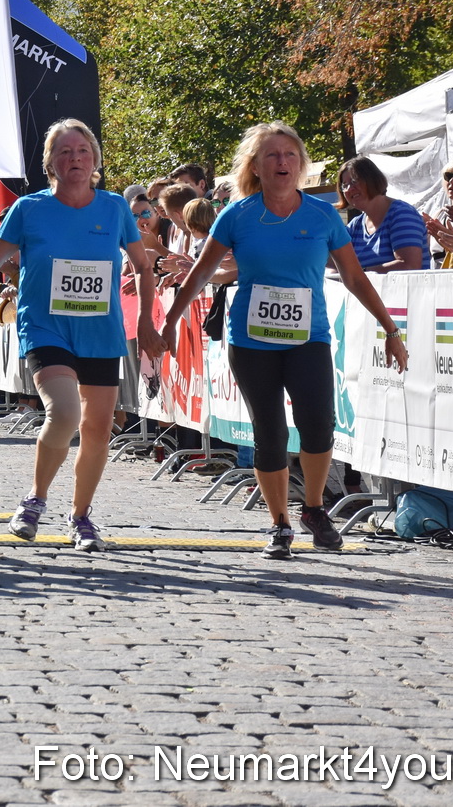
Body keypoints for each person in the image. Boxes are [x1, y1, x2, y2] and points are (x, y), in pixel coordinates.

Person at [164, 122, 407, 559]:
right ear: (256, 167)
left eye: (290, 155)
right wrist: (168, 321)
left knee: (318, 424)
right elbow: (201, 273)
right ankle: (279, 524)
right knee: (270, 432)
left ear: (301, 165)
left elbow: (354, 277)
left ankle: (313, 508)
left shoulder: (322, 216)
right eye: (272, 155)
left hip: (307, 337)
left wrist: (391, 330)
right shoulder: (237, 215)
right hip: (251, 341)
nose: (282, 162)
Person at [0, 119, 164, 551]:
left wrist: (146, 322)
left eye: (82, 151)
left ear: (94, 161)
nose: (75, 158)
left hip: (100, 330)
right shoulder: (28, 209)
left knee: (97, 429)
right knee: (63, 413)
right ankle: (35, 499)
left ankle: (81, 517)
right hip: (46, 327)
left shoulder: (114, 208)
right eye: (65, 152)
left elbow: (142, 265)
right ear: (50, 164)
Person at [337, 156, 427, 272]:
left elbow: (409, 266)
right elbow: (333, 263)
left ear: (372, 180)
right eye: (345, 185)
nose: (349, 189)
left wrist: (359, 274)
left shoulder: (402, 214)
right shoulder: (355, 225)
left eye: (354, 181)